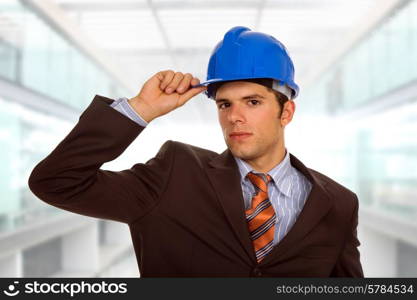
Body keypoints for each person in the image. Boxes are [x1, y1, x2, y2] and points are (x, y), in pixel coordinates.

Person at [28, 26, 363, 277]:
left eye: (253, 102)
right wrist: (140, 108)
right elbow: (56, 182)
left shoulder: (338, 204)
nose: (234, 116)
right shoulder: (174, 173)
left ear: (286, 112)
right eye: (224, 104)